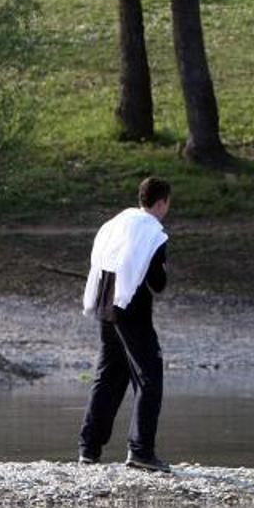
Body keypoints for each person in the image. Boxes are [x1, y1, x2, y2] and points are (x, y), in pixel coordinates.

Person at [78, 176, 173, 472]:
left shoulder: (117, 222)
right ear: (161, 202)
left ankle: (89, 448)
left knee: (109, 375)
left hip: (105, 300)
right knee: (149, 376)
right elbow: (158, 284)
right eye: (168, 203)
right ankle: (141, 450)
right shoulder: (154, 235)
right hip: (131, 306)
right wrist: (164, 269)